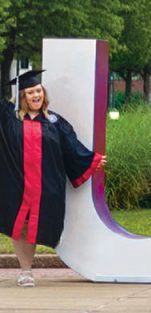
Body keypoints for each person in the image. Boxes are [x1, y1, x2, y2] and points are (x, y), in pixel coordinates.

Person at [0, 69, 106, 287]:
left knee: (36, 225)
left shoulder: (54, 121)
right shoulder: (8, 117)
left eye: (38, 90)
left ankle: (27, 269)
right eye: (30, 92)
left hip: (45, 185)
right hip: (16, 183)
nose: (36, 95)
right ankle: (25, 271)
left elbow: (71, 147)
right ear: (22, 97)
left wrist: (90, 160)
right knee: (19, 225)